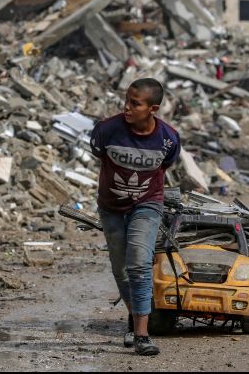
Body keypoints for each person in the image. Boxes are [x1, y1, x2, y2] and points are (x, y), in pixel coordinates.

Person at [90, 78, 181, 356]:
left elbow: (165, 166)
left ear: (152, 108)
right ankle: (134, 314)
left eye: (135, 103)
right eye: (126, 101)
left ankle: (142, 334)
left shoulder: (168, 139)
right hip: (111, 206)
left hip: (147, 203)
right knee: (120, 269)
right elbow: (98, 155)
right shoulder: (106, 131)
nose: (127, 107)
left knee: (139, 265)